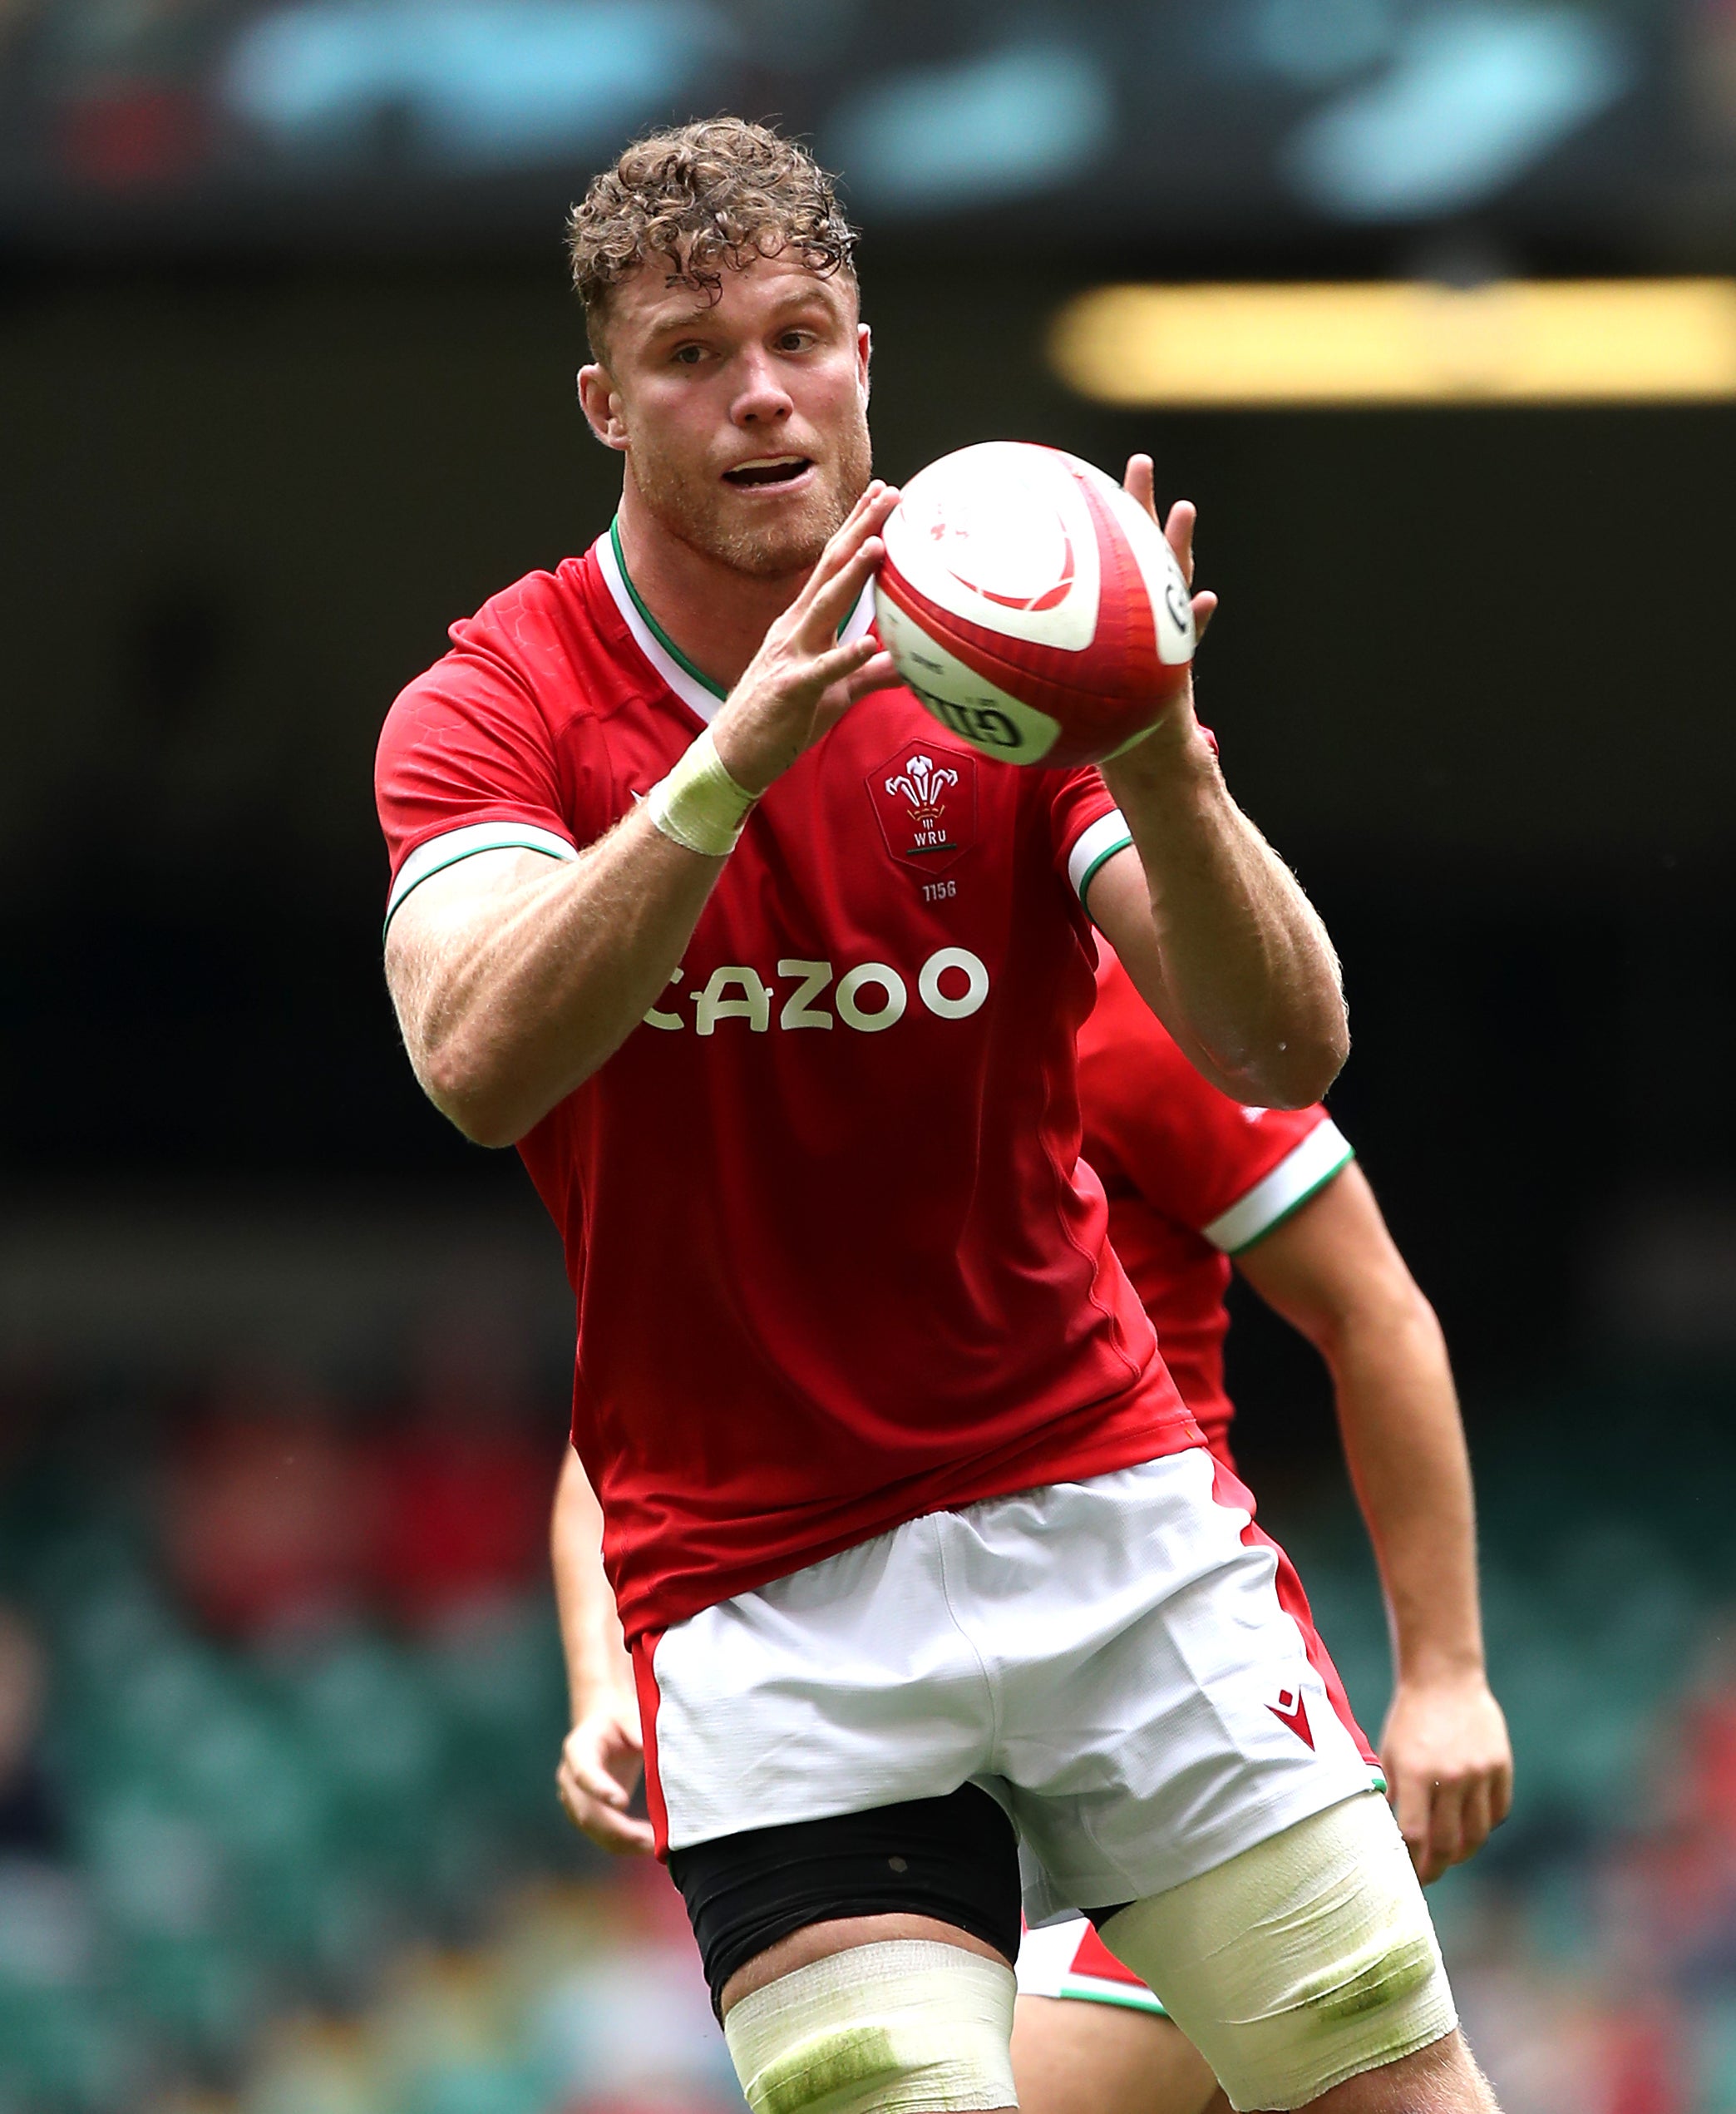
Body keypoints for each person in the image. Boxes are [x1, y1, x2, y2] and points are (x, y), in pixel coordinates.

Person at [376, 116, 1497, 2114]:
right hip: (761, 1589)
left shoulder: (1000, 632)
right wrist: (727, 769)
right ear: (602, 400)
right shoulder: (498, 702)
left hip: (1105, 1507)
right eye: (693, 352)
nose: (761, 393)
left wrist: (1157, 748)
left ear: (867, 358)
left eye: (800, 335)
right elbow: (476, 1058)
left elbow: (1283, 1044)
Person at [551, 936, 1514, 2114]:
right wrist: (602, 1679)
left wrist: (1449, 1670)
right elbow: (638, 1409)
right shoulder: (762, 1035)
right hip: (852, 1694)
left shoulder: (1125, 1004)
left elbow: (1373, 1307)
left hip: (1134, 1659)